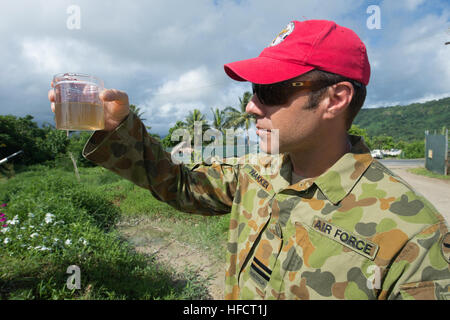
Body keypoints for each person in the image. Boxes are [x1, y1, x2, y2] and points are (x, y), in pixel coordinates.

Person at [48, 19, 450, 300]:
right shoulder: (255, 172)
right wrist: (116, 128)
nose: (252, 106)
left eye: (271, 90)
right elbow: (178, 184)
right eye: (255, 88)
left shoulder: (414, 236)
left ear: (335, 98)